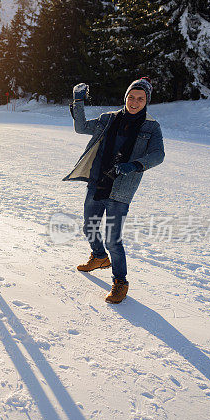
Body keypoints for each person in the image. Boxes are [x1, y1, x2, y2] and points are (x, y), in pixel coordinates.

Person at [63, 77, 165, 303]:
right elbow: (81, 127)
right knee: (89, 228)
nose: (135, 102)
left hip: (120, 189)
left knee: (113, 239)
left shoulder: (151, 126)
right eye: (131, 97)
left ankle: (120, 282)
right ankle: (99, 257)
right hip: (98, 182)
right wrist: (78, 101)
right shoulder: (108, 119)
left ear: (146, 101)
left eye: (140, 98)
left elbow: (158, 155)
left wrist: (135, 165)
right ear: (126, 97)